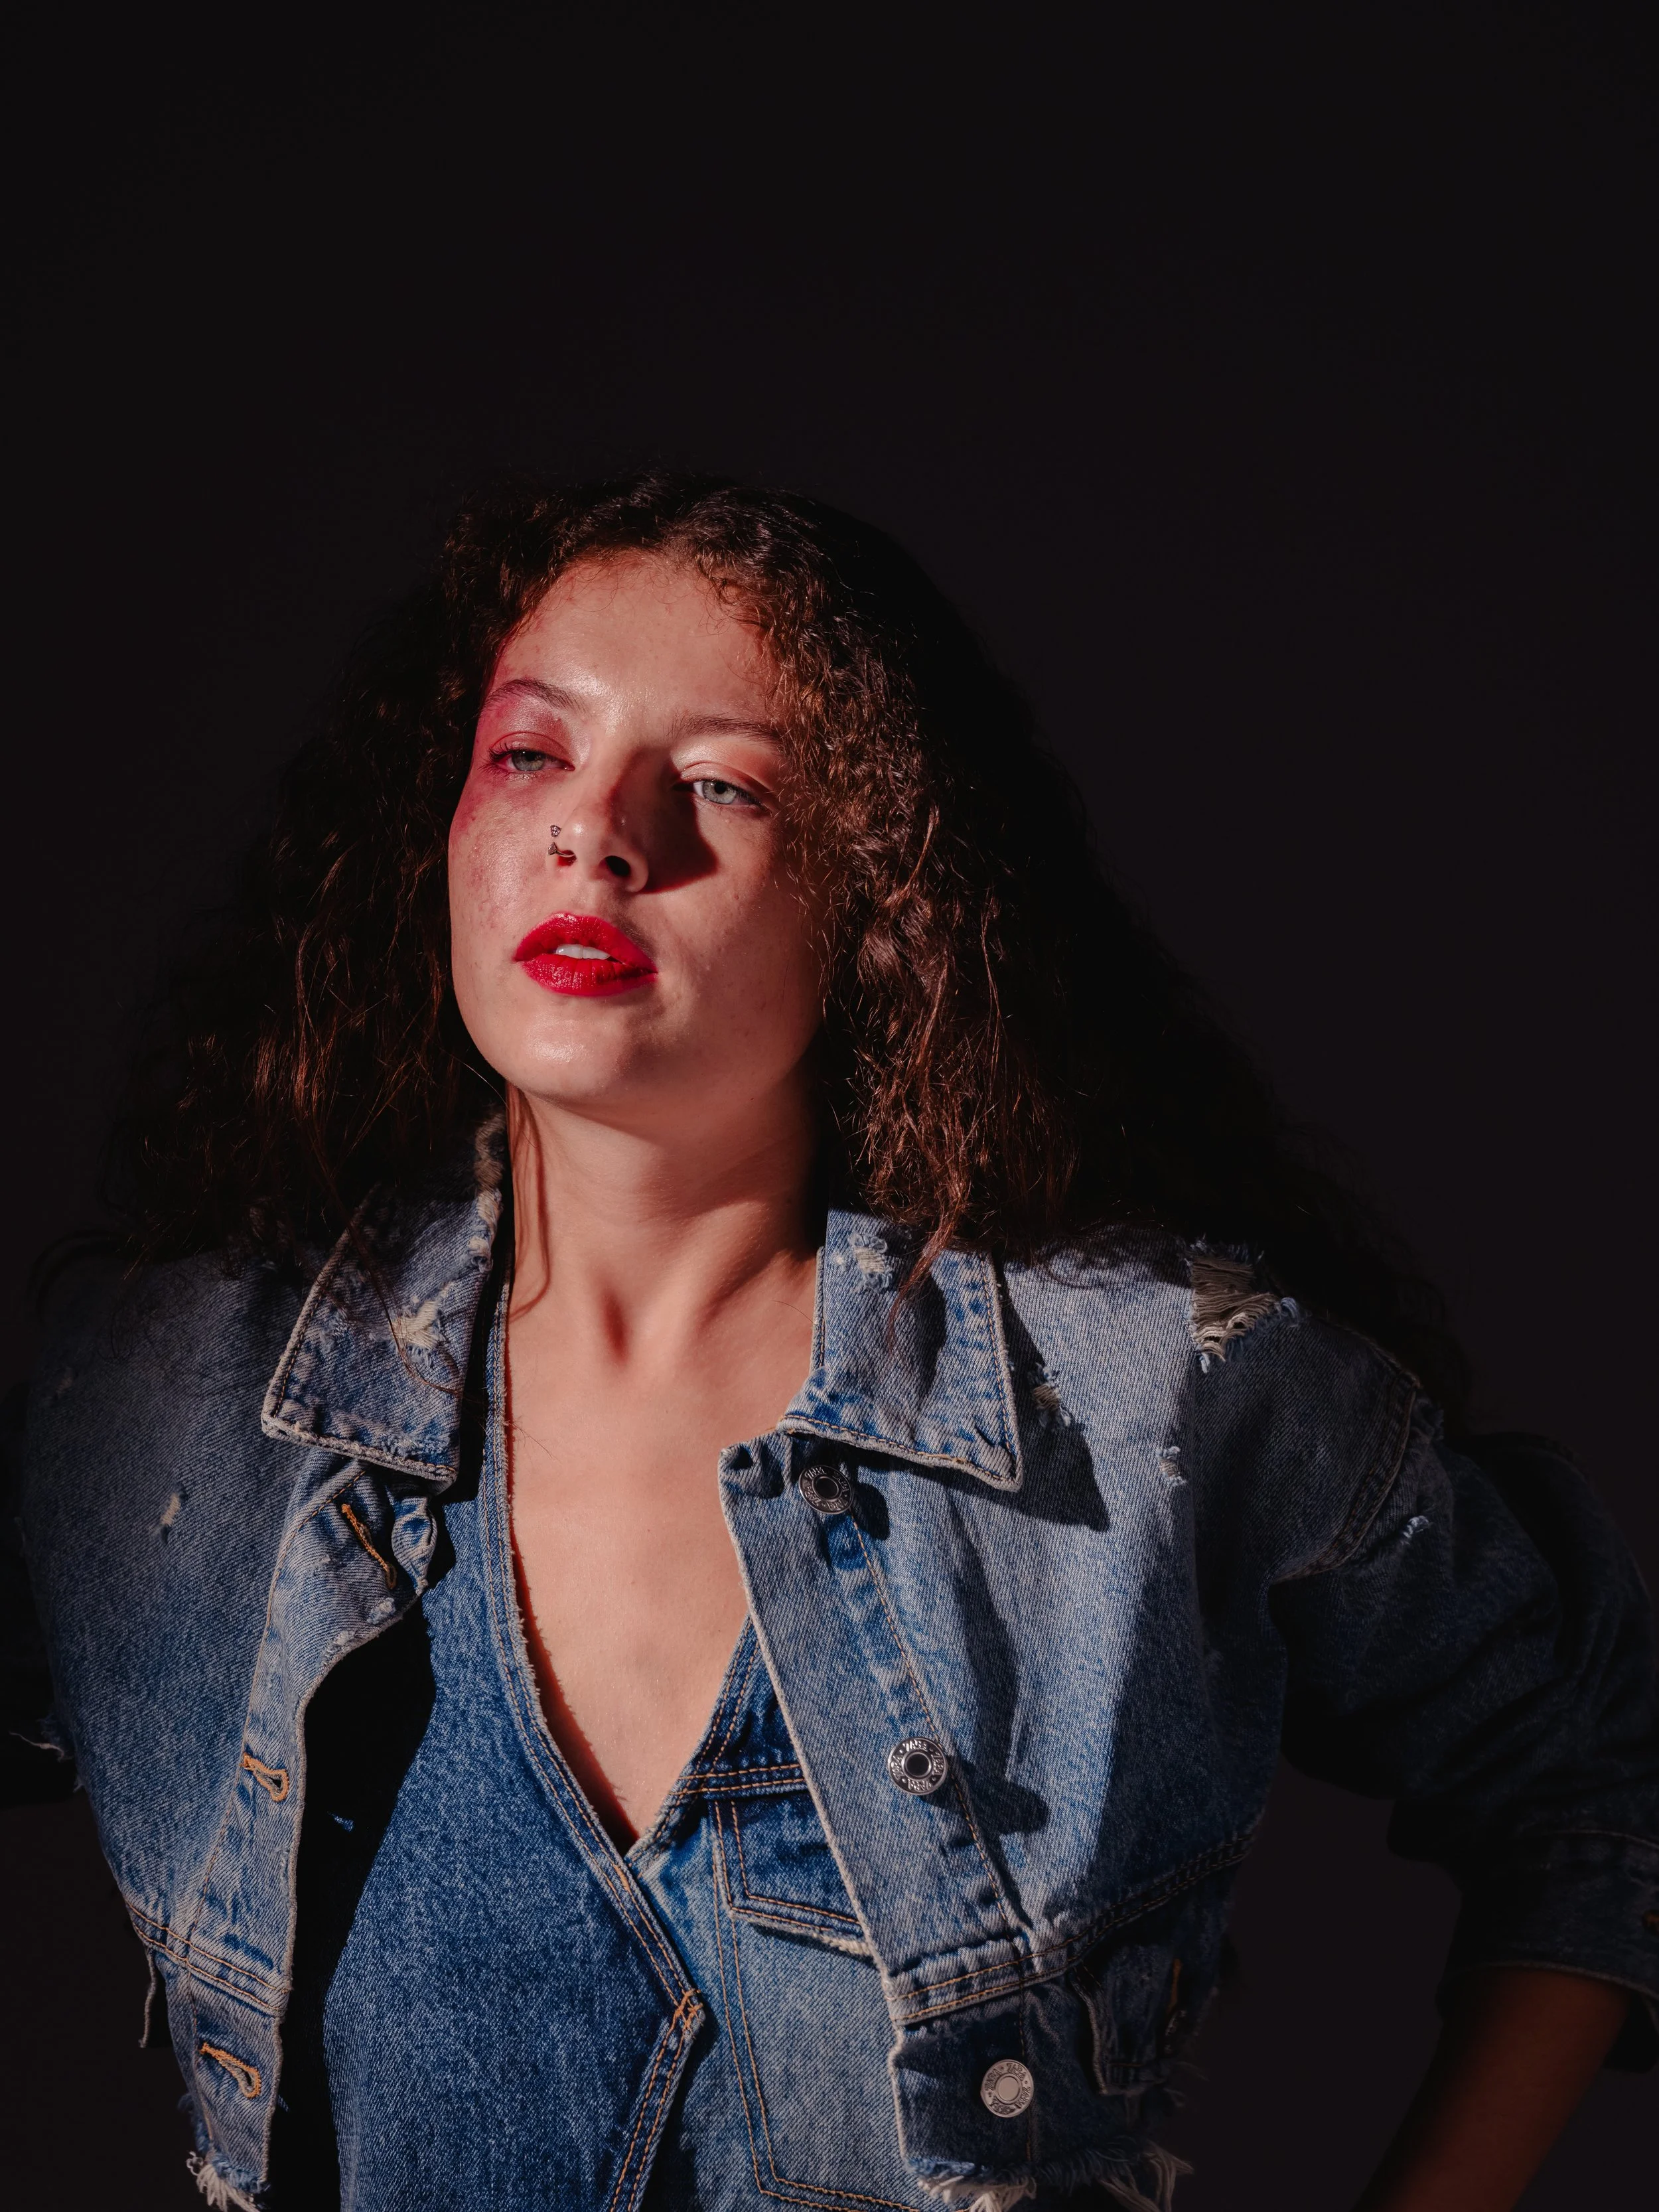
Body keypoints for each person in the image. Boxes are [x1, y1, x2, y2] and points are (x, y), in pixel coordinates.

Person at [3, 473, 1655, 2212]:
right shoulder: (172, 1413)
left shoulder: (1149, 1399)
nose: (599, 834)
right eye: (529, 754)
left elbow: (1594, 1775)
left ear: (876, 898)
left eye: (721, 784)